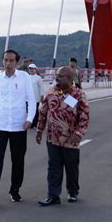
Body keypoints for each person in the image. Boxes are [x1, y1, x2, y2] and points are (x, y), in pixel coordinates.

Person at [0, 49, 36, 205]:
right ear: (2, 62)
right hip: (1, 124)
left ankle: (15, 190)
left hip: (19, 125)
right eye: (5, 60)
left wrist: (30, 118)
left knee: (17, 160)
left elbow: (31, 99)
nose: (8, 63)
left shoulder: (24, 77)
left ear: (16, 62)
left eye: (11, 61)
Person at [36, 66, 89, 206]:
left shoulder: (78, 95)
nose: (56, 78)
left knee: (71, 167)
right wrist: (39, 130)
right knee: (53, 166)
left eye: (60, 76)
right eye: (56, 75)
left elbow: (84, 117)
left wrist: (79, 133)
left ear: (70, 78)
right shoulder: (51, 92)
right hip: (52, 138)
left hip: (70, 139)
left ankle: (73, 192)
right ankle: (53, 195)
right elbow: (43, 112)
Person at [28, 63, 45, 128]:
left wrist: (42, 96)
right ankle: (30, 123)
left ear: (35, 69)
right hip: (28, 98)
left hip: (36, 97)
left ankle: (35, 124)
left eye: (33, 69)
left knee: (35, 111)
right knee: (28, 110)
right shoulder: (27, 77)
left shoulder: (38, 78)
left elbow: (41, 88)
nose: (31, 70)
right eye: (30, 69)